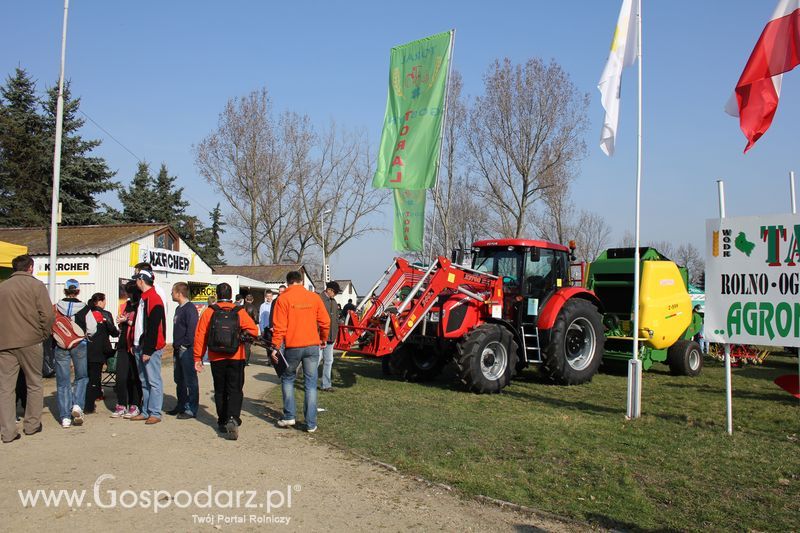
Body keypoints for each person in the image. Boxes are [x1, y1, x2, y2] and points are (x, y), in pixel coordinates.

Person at [0, 255, 55, 443]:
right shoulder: (36, 286)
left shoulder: (2, 287)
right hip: (31, 340)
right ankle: (32, 425)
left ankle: (7, 431)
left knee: (6, 388)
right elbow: (48, 315)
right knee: (34, 382)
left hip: (5, 342)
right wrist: (43, 333)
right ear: (30, 267)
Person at [193, 283, 258, 440]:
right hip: (236, 356)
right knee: (235, 389)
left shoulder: (210, 311)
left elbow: (200, 335)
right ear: (231, 295)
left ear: (216, 294)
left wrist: (198, 358)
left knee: (220, 389)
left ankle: (222, 421)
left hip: (216, 356)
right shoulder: (239, 311)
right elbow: (253, 331)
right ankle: (233, 418)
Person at [271, 271, 330, 433]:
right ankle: (311, 423)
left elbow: (280, 327)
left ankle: (289, 415)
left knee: (288, 378)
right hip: (312, 345)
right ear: (302, 281)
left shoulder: (283, 299)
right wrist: (323, 338)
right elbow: (325, 321)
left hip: (293, 346)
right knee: (311, 384)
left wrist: (275, 346)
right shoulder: (314, 297)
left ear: (288, 282)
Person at [54, 278, 97, 428]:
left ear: (64, 290)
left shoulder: (56, 307)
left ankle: (65, 417)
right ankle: (78, 405)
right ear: (78, 291)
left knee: (63, 381)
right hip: (79, 344)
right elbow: (92, 328)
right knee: (81, 376)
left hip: (61, 345)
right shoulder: (84, 308)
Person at [131, 269, 166, 425]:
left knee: (153, 380)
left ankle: (155, 412)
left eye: (136, 279)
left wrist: (149, 349)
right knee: (144, 380)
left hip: (149, 347)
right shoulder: (144, 298)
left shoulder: (154, 298)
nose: (135, 282)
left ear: (141, 280)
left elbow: (154, 327)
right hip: (141, 345)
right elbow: (140, 324)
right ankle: (146, 411)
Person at [111, 281, 143, 418]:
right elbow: (122, 324)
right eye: (127, 292)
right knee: (121, 377)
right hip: (123, 344)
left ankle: (135, 404)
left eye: (130, 292)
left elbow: (141, 325)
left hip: (135, 345)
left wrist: (128, 321)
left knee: (135, 376)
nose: (129, 296)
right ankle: (122, 404)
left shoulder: (141, 305)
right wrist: (120, 321)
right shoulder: (126, 305)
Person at [168, 282, 199, 419]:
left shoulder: (189, 308)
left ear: (179, 293)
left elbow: (192, 330)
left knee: (190, 380)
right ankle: (181, 405)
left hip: (186, 350)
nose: (171, 294)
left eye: (172, 291)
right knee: (179, 379)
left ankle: (191, 409)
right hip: (177, 349)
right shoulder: (178, 309)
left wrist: (184, 345)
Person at [84, 293, 119, 414]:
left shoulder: (85, 312)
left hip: (85, 348)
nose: (105, 303)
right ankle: (90, 402)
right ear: (99, 302)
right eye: (104, 301)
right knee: (95, 375)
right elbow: (113, 332)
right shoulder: (105, 314)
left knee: (87, 375)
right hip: (101, 348)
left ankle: (94, 394)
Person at [319, 281, 341, 392]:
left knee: (328, 361)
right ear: (330, 290)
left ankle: (326, 385)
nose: (335, 295)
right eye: (335, 292)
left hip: (330, 337)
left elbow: (336, 319)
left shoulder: (333, 301)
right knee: (315, 361)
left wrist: (335, 335)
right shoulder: (319, 300)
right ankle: (310, 383)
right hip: (319, 337)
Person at [243, 294, 258, 365]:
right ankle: (246, 361)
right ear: (252, 300)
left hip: (241, 328)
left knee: (241, 345)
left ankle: (241, 360)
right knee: (247, 346)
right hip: (249, 329)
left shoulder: (241, 307)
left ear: (245, 299)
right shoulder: (253, 308)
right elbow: (256, 319)